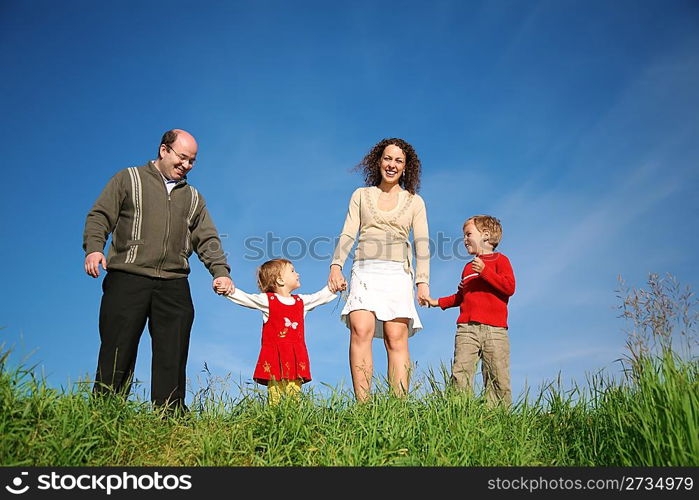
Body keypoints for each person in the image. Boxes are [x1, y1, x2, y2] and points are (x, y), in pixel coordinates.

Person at [83, 129, 234, 410]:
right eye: (182, 157)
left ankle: (171, 416)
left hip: (174, 283)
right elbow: (100, 215)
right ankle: (105, 412)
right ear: (164, 150)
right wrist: (94, 248)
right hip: (128, 276)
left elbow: (208, 238)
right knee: (118, 349)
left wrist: (220, 271)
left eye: (192, 161)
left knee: (172, 353)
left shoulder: (193, 198)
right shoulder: (128, 179)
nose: (186, 165)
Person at [327, 138, 430, 402]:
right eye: (387, 158)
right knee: (361, 329)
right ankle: (364, 406)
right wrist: (336, 266)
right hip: (365, 269)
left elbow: (421, 244)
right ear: (379, 161)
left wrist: (422, 282)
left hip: (398, 273)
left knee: (396, 337)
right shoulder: (361, 196)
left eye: (398, 161)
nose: (392, 165)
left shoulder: (414, 202)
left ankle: (399, 407)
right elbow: (348, 233)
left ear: (406, 168)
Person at [218, 259, 338, 404]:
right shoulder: (268, 301)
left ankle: (293, 419)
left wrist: (334, 288)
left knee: (294, 393)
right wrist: (228, 291)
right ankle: (275, 418)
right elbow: (247, 299)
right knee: (275, 394)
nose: (297, 273)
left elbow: (319, 297)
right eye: (293, 271)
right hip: (275, 357)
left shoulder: (301, 301)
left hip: (296, 356)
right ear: (280, 280)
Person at [425, 215, 515, 406]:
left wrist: (485, 272)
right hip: (467, 328)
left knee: (496, 373)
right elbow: (461, 296)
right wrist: (436, 302)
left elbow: (509, 287)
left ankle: (497, 414)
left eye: (468, 234)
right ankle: (459, 409)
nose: (464, 239)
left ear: (485, 235)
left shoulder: (501, 261)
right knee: (461, 370)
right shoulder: (468, 268)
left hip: (495, 329)